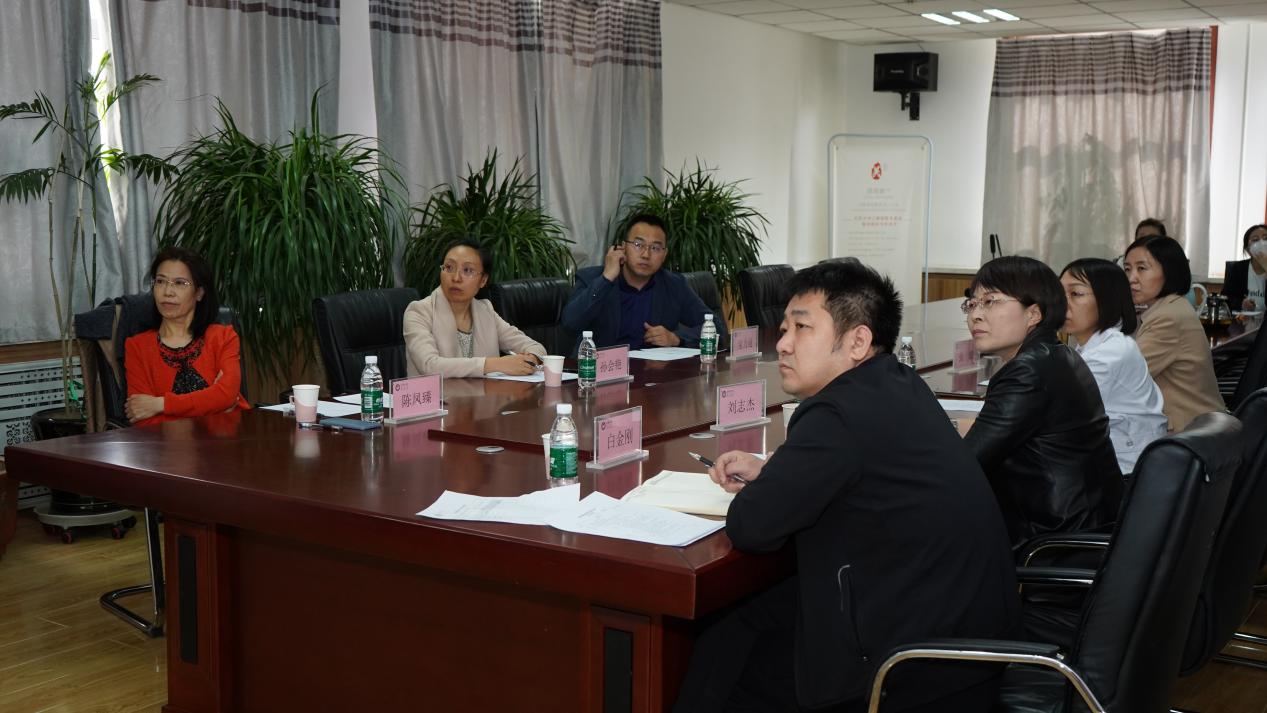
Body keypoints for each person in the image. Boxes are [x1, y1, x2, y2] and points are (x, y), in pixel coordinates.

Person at [674, 261, 1020, 713]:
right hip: (966, 638)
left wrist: (779, 479)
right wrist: (779, 470)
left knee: (728, 659)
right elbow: (861, 466)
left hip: (911, 666)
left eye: (802, 328)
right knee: (741, 624)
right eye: (783, 329)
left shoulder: (834, 413)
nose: (782, 344)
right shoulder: (898, 381)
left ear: (857, 341)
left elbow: (751, 526)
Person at [962, 256, 1121, 546]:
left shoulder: (1028, 371)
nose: (976, 315)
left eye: (990, 302)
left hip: (1054, 539)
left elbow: (966, 462)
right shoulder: (1058, 354)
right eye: (972, 304)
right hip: (1090, 522)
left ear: (1033, 314)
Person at [1059, 258, 1167, 474]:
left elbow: (1058, 413)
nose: (1062, 303)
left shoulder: (1109, 354)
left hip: (1127, 471)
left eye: (1076, 294)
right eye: (1059, 294)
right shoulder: (1097, 344)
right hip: (1115, 460)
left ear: (1107, 299)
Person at [560, 213, 726, 353]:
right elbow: (569, 324)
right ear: (623, 247)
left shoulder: (674, 285)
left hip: (653, 376)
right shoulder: (591, 279)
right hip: (601, 374)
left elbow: (717, 328)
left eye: (655, 248)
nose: (646, 254)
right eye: (638, 245)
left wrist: (676, 338)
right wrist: (606, 279)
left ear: (664, 254)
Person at [124, 246, 250, 427]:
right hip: (167, 445)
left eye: (180, 283)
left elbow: (226, 396)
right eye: (160, 281)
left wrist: (161, 404)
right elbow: (143, 418)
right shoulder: (137, 347)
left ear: (199, 292)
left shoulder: (223, 337)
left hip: (232, 439)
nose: (167, 291)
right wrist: (213, 405)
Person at [1123, 235, 1224, 432]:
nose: (1131, 278)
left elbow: (1125, 377)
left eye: (1142, 268)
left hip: (1187, 433)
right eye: (1127, 269)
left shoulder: (1168, 317)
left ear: (1169, 271)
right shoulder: (1169, 307)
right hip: (1197, 426)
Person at [403, 240, 546, 378]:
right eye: (449, 267)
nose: (456, 278)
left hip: (484, 394)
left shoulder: (485, 311)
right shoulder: (419, 312)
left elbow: (535, 347)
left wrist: (530, 359)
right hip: (435, 395)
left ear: (483, 280)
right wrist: (495, 364)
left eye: (467, 270)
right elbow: (430, 366)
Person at [1220, 223, 1267, 310]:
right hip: (1242, 318)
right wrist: (1241, 304)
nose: (1262, 243)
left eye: (1266, 238)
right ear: (1247, 249)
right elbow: (1226, 298)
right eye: (1255, 239)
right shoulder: (1238, 268)